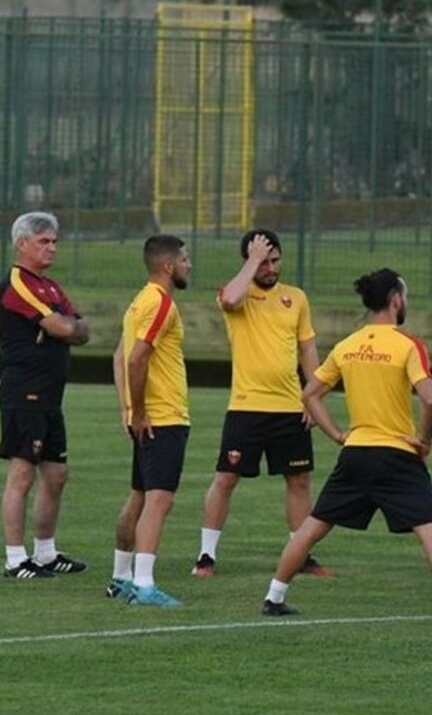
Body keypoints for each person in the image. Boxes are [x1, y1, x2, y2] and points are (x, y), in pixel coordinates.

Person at [260, 268, 432, 626]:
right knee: (431, 531)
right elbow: (430, 400)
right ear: (395, 299)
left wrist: (338, 435)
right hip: (397, 456)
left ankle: (274, 597)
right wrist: (425, 441)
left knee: (313, 527)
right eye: (405, 295)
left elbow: (309, 395)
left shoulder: (348, 345)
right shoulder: (409, 345)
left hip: (355, 454)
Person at [192, 229, 330, 578]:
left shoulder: (296, 297)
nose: (270, 268)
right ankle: (206, 556)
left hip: (290, 407)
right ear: (249, 261)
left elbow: (307, 349)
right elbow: (229, 300)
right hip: (246, 406)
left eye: (275, 260)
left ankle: (300, 555)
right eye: (263, 261)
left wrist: (312, 396)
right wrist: (252, 261)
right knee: (226, 478)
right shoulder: (237, 292)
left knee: (299, 480)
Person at [1, 212, 90, 579]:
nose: (52, 247)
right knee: (22, 474)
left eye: (54, 241)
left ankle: (46, 553)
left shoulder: (50, 287)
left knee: (56, 474)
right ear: (22, 244)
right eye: (43, 241)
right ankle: (15, 559)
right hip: (26, 392)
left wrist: (65, 327)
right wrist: (61, 326)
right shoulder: (17, 283)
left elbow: (80, 329)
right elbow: (62, 326)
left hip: (51, 397)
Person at [108, 235, 192, 606]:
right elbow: (135, 359)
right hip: (164, 417)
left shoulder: (138, 303)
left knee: (140, 496)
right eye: (185, 260)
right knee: (159, 500)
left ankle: (121, 577)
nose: (189, 265)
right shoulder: (160, 303)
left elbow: (118, 356)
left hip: (148, 416)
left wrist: (127, 409)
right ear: (168, 266)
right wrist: (139, 411)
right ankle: (143, 585)